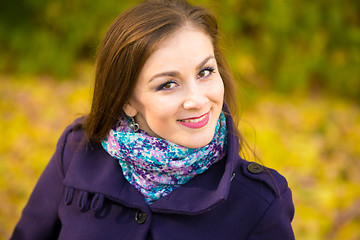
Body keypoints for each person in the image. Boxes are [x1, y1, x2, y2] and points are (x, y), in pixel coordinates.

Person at [11, 0, 295, 239]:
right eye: (167, 84)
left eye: (205, 72)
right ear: (127, 100)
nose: (196, 100)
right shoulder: (78, 151)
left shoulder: (260, 202)